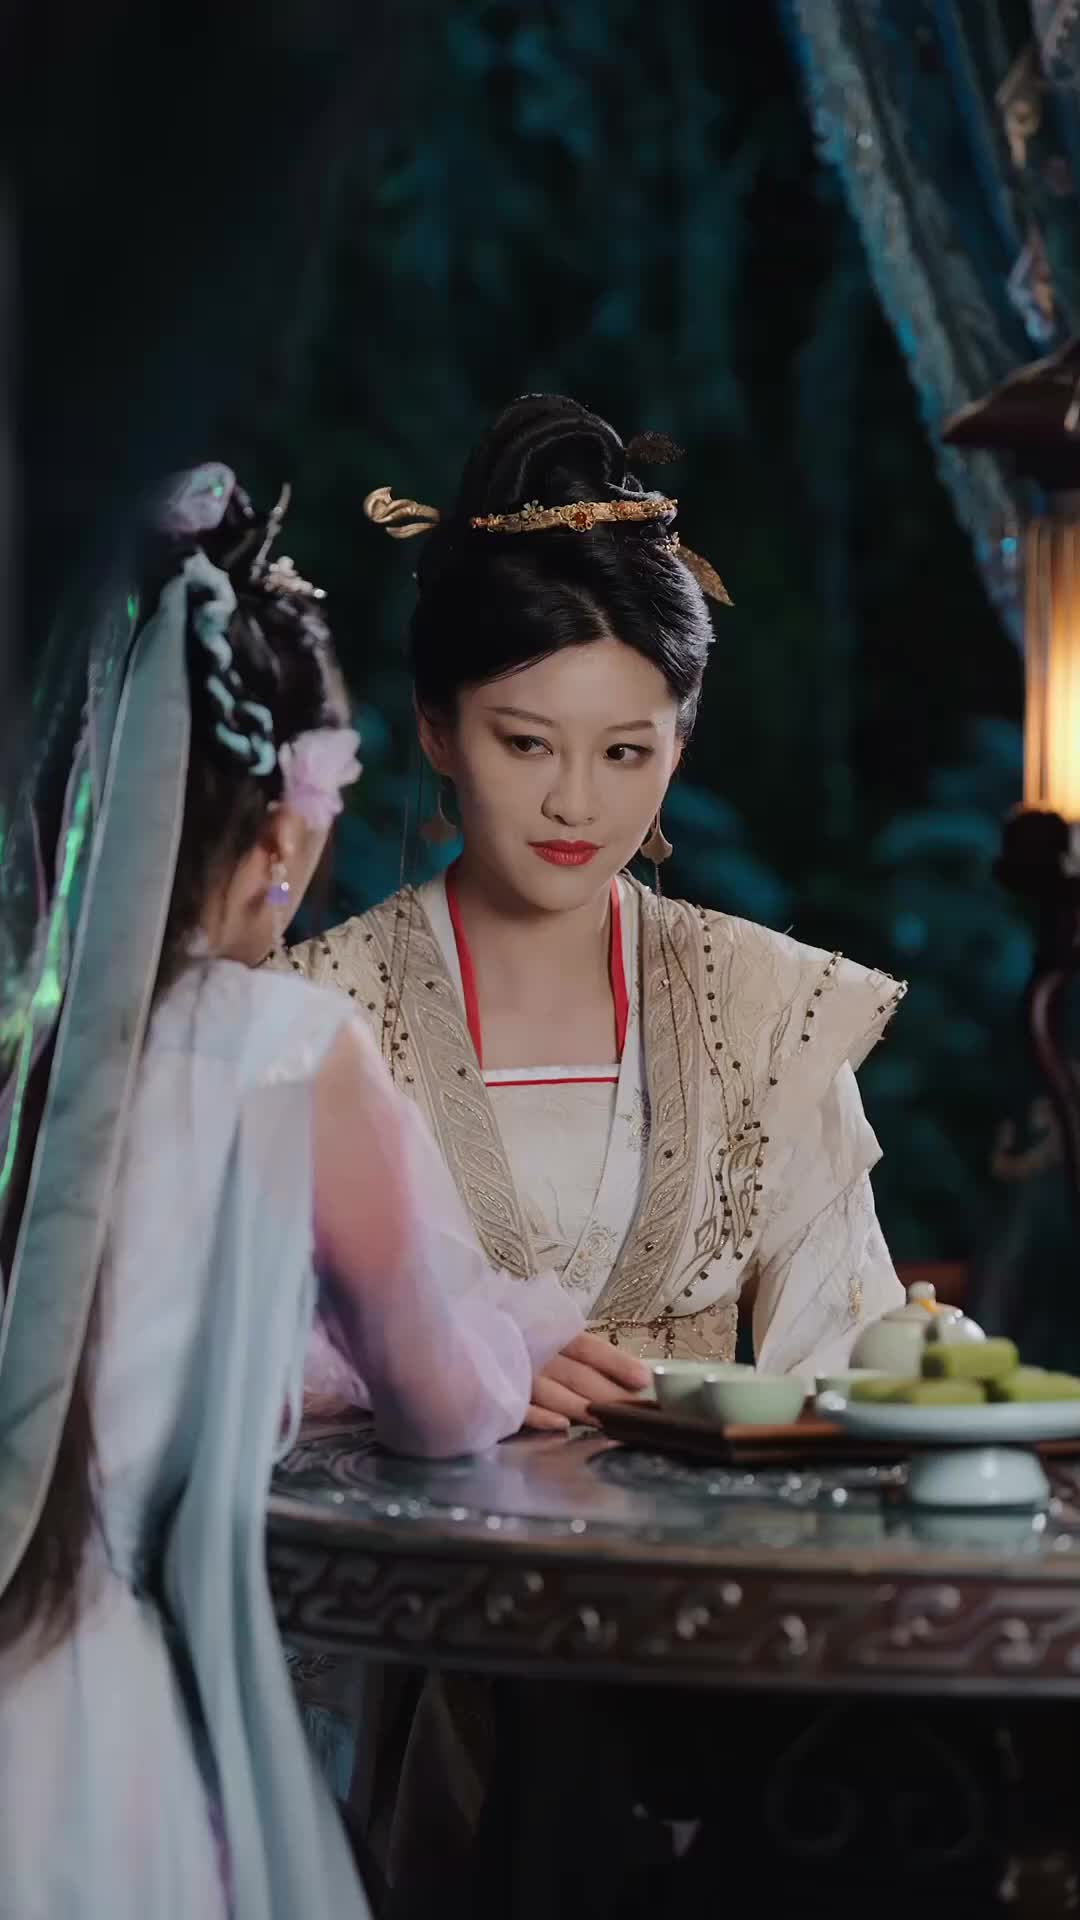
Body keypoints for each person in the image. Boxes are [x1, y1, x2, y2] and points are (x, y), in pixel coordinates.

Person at [0, 465, 617, 1920]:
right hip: (66, 1701)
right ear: (280, 834)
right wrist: (509, 1349)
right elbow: (440, 1404)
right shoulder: (277, 1047)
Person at [282, 394, 907, 1398]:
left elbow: (853, 1360)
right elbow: (207, 1357)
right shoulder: (310, 1014)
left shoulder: (769, 1013)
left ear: (678, 746)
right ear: (437, 729)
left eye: (623, 753)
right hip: (394, 1507)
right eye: (526, 743)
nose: (574, 803)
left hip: (715, 1508)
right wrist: (443, 1363)